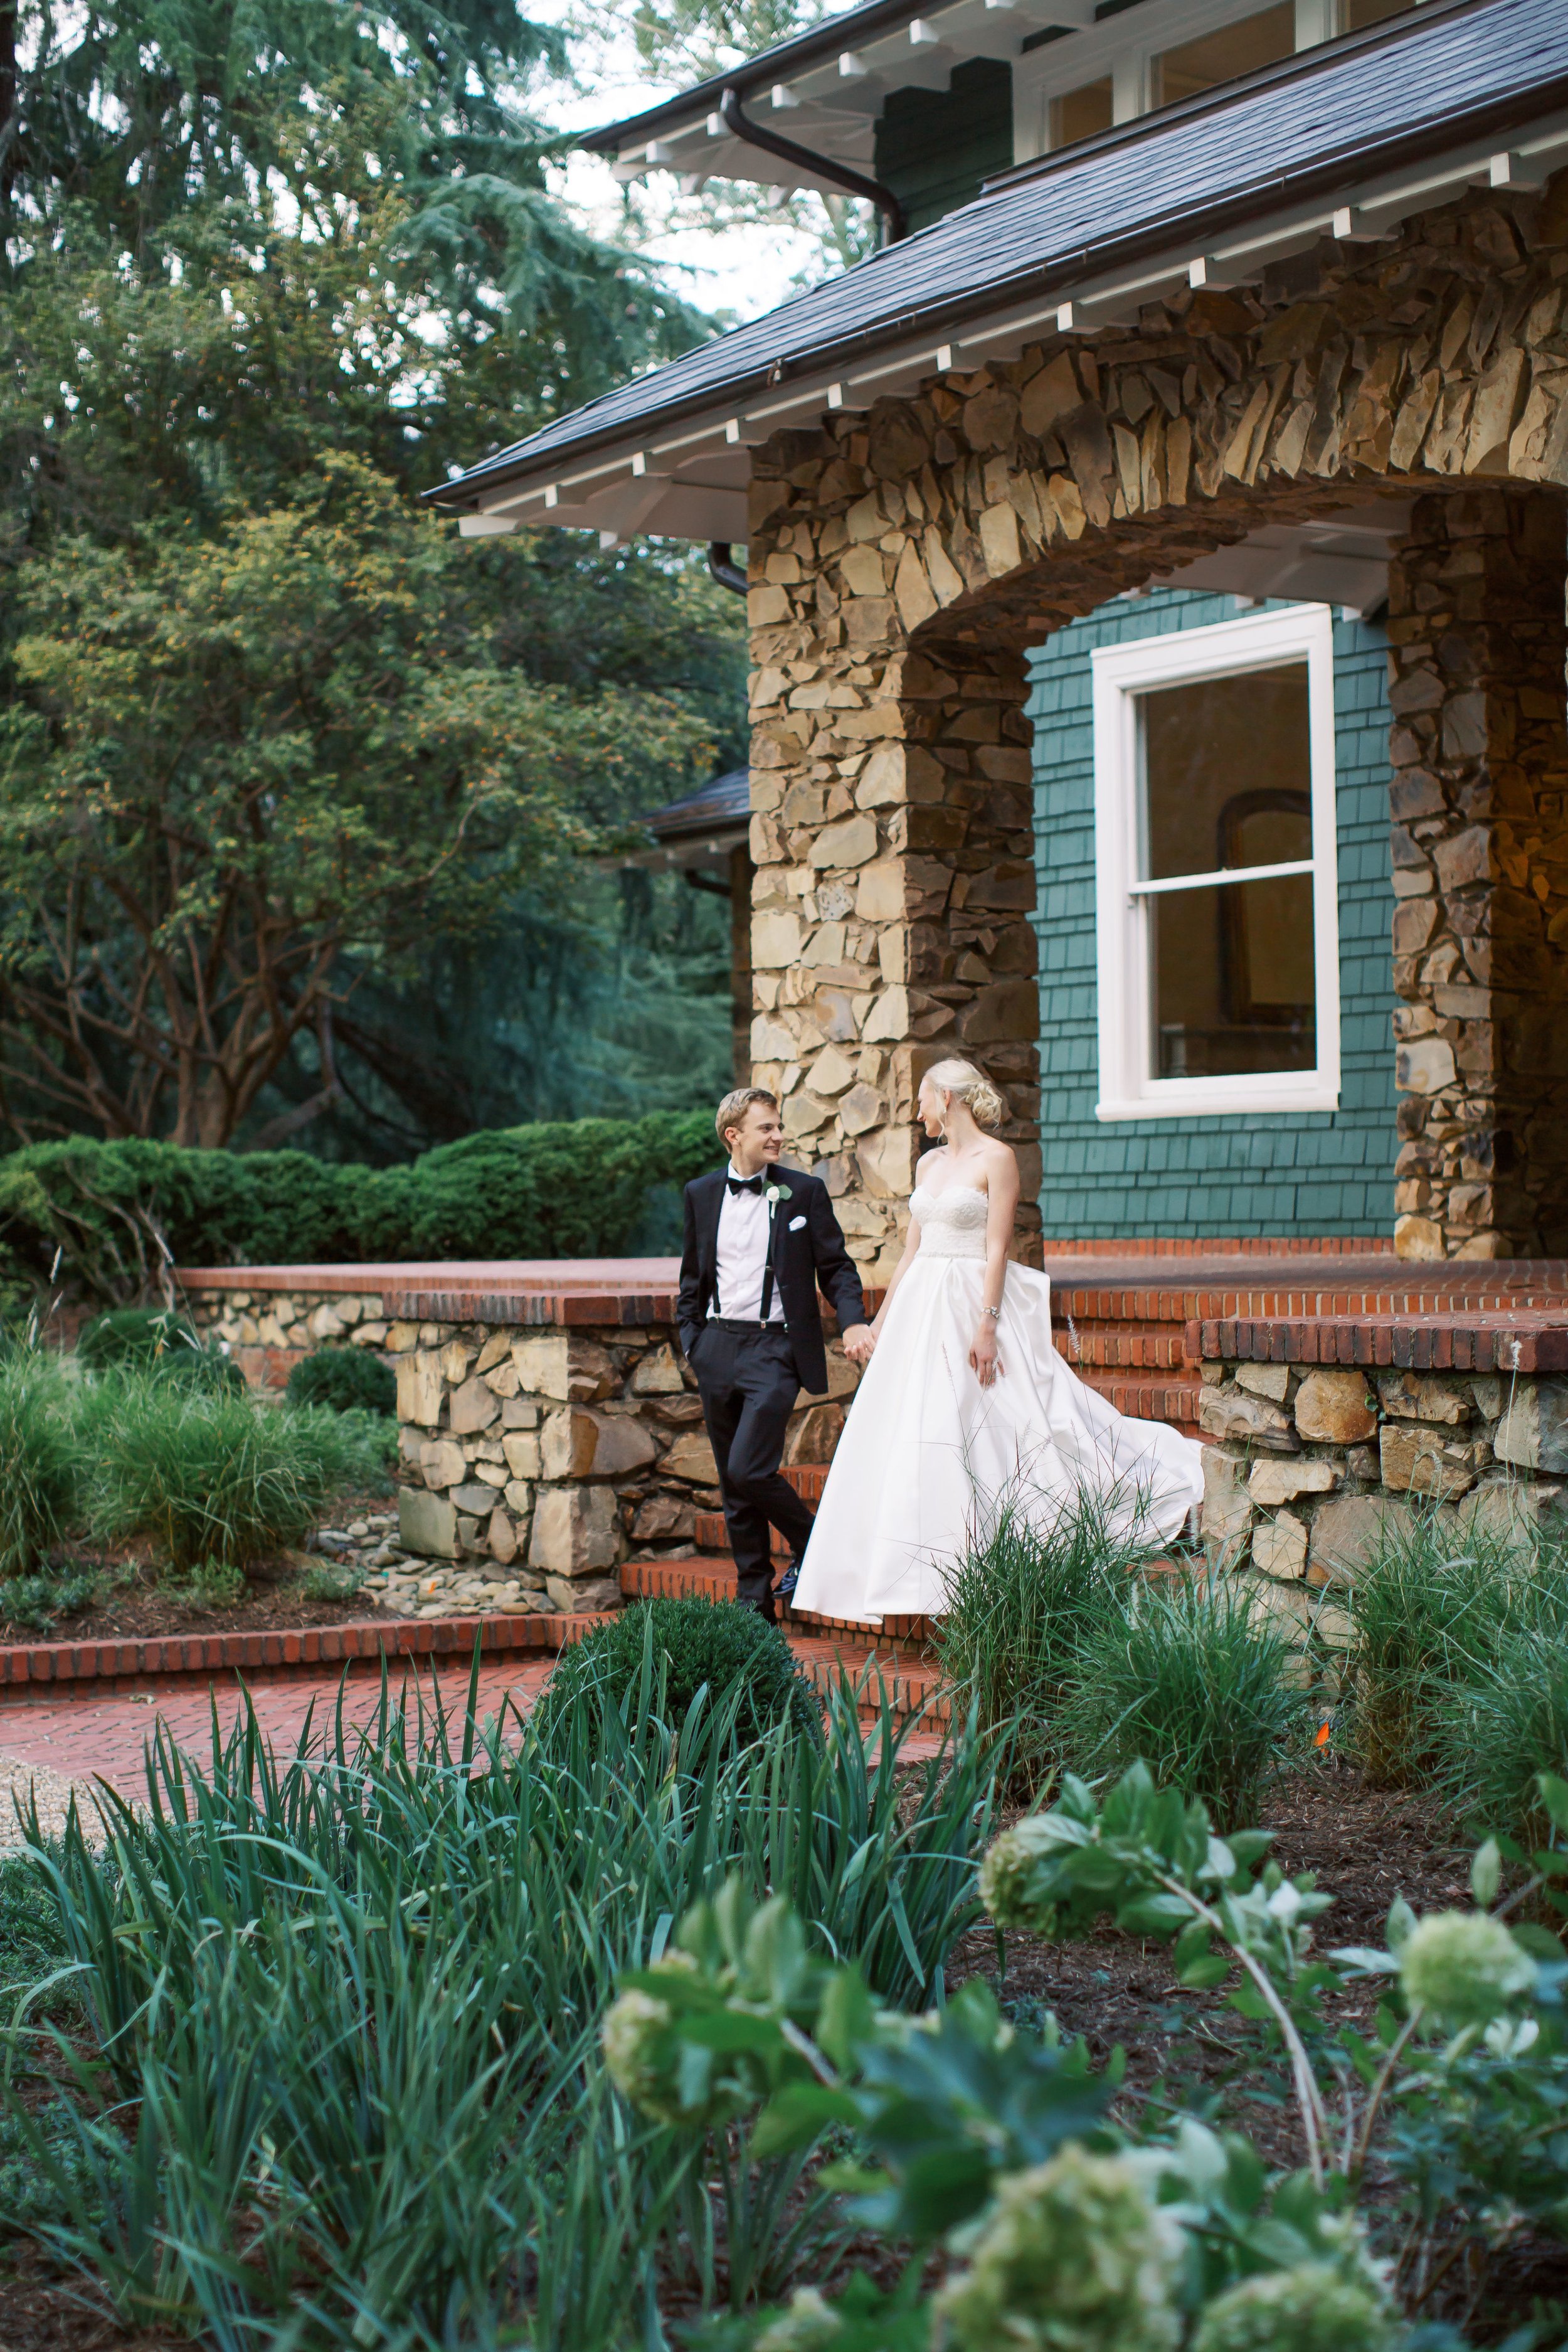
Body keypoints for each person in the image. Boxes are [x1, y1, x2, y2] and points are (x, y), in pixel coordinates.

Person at [791, 1058, 1205, 1629]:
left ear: (948, 1098)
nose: (917, 1110)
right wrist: (881, 1324)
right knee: (919, 1426)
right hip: (921, 1306)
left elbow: (996, 1248)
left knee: (996, 1414)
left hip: (970, 1300)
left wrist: (986, 1326)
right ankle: (925, 1565)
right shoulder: (929, 1161)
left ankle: (997, 1549)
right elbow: (911, 1251)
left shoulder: (998, 1159)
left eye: (922, 1098)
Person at [678, 1087, 876, 1619]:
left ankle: (813, 1542)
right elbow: (691, 1280)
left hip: (775, 1348)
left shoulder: (803, 1193)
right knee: (733, 1482)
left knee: (749, 1468)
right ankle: (754, 1604)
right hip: (717, 1346)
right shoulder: (700, 1194)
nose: (778, 1135)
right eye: (766, 1127)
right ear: (733, 1135)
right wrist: (693, 1341)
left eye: (779, 1125)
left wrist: (853, 1318)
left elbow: (836, 1267)